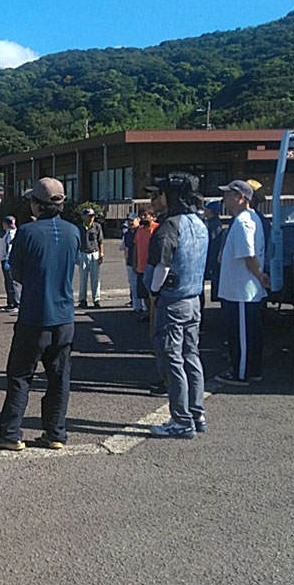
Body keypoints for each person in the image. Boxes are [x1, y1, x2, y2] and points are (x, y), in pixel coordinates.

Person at [0, 178, 81, 451]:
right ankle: (55, 432)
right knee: (59, 377)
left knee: (20, 375)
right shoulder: (73, 231)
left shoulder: (27, 232)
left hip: (34, 315)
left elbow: (16, 272)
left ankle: (11, 433)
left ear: (37, 204)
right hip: (65, 316)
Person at [145, 172, 210, 439]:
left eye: (158, 194)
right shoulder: (200, 223)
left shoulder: (170, 225)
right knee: (191, 356)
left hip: (172, 301)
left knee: (172, 359)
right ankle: (197, 413)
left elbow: (162, 266)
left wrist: (153, 292)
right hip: (193, 299)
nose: (154, 199)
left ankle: (181, 420)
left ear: (170, 195)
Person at [215, 180, 269, 386]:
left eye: (228, 195)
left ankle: (241, 373)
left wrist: (259, 275)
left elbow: (249, 254)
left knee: (242, 334)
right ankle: (252, 370)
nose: (225, 199)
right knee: (249, 332)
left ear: (241, 198)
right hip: (241, 288)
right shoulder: (249, 218)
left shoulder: (243, 221)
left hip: (241, 289)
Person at [76, 207, 104, 309]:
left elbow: (100, 241)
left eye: (92, 216)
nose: (91, 218)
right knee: (83, 278)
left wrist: (101, 254)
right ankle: (82, 300)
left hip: (94, 253)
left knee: (95, 278)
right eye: (88, 216)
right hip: (83, 253)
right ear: (83, 217)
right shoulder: (79, 227)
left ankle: (96, 300)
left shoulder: (97, 227)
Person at [133, 208, 158, 322]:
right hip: (141, 266)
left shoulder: (158, 228)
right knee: (143, 294)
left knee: (154, 293)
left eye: (145, 215)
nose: (142, 217)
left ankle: (155, 315)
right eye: (141, 215)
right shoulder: (139, 230)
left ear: (153, 217)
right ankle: (149, 313)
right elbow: (135, 246)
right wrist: (134, 262)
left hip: (153, 266)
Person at [122, 213, 144, 314]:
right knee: (133, 285)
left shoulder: (142, 231)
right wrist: (126, 260)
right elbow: (125, 248)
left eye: (132, 220)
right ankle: (137, 307)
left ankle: (145, 308)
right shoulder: (127, 234)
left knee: (143, 285)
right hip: (131, 262)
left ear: (138, 220)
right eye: (129, 221)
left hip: (142, 262)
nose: (130, 222)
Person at [0, 215, 20, 312]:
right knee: (8, 282)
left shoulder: (11, 234)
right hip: (5, 259)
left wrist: (8, 260)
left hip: (8, 260)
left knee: (11, 282)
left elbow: (10, 248)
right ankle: (10, 302)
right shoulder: (8, 233)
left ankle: (15, 303)